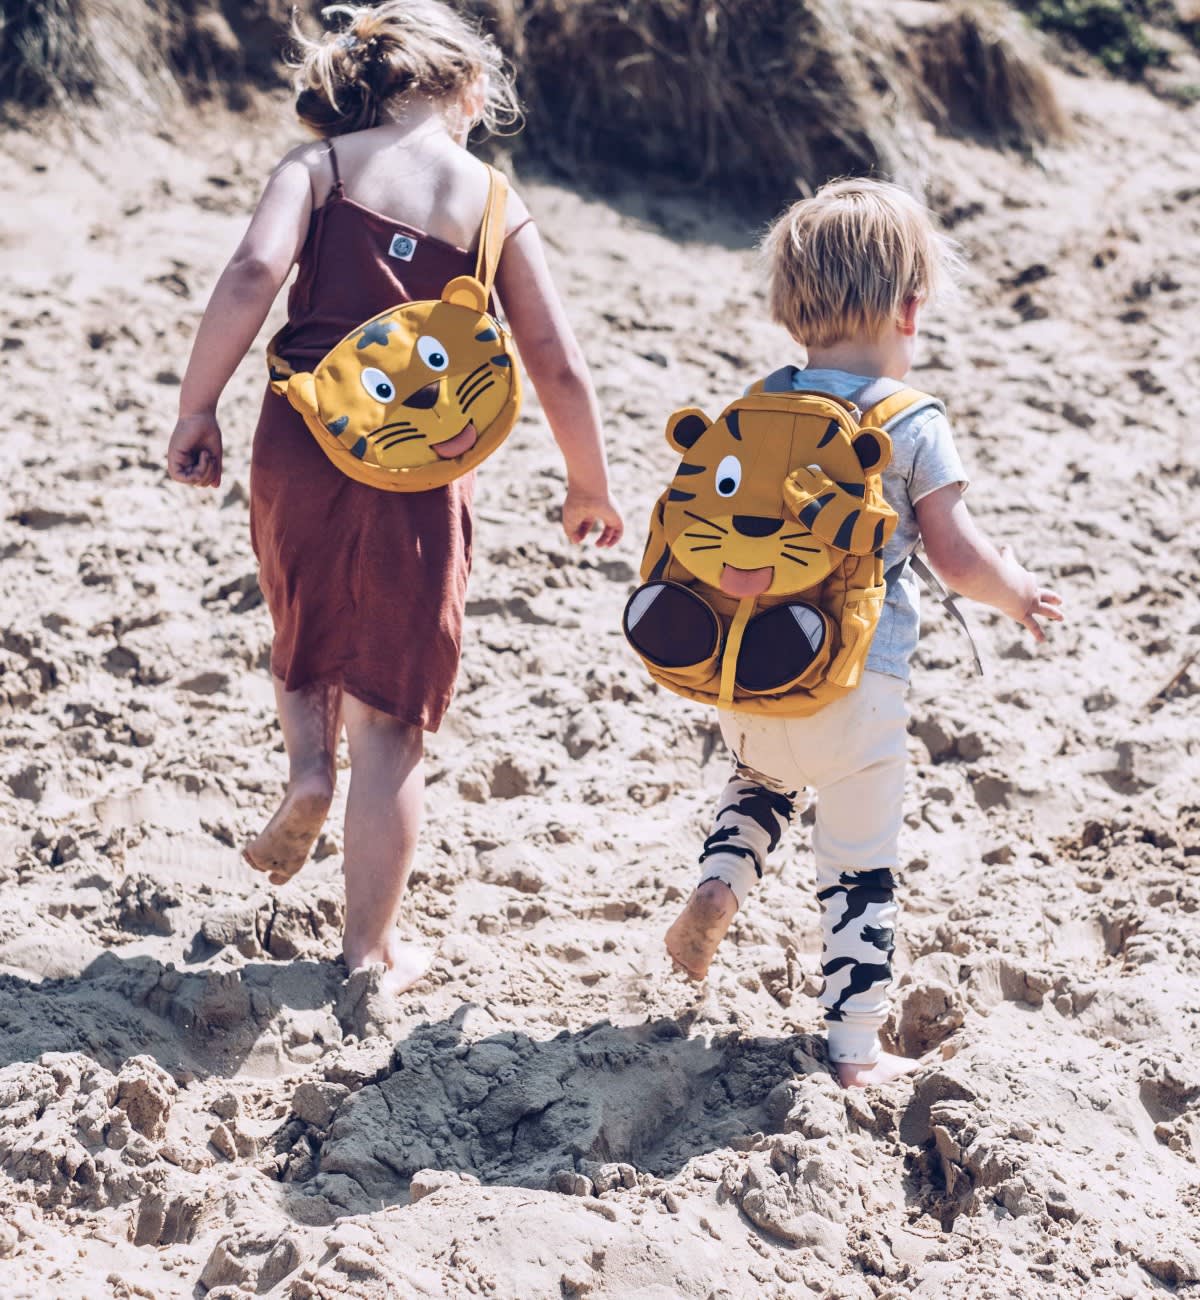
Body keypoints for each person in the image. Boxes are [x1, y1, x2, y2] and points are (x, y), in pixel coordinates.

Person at [166, 0, 622, 992]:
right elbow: (553, 355)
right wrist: (587, 477)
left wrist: (197, 407)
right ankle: (368, 950)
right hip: (420, 468)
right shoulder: (489, 198)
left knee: (305, 629)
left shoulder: (319, 169)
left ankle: (304, 772)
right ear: (470, 92)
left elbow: (250, 272)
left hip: (298, 435)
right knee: (394, 716)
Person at [664, 178, 1062, 1087]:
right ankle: (853, 1050)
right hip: (858, 682)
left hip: (752, 673)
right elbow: (958, 560)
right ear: (911, 307)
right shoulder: (913, 421)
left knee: (760, 779)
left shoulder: (763, 402)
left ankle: (720, 884)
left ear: (791, 300)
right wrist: (1019, 594)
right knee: (858, 868)